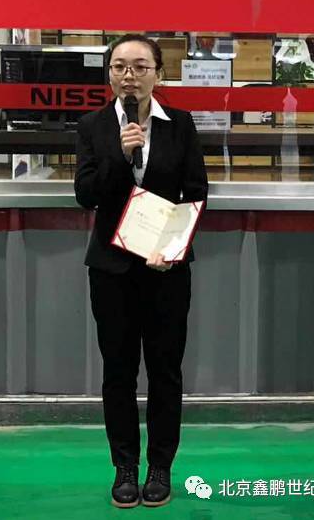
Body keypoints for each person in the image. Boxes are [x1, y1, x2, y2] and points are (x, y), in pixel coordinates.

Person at [74, 35, 208, 508]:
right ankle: (125, 467)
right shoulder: (93, 126)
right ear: (109, 74)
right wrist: (118, 151)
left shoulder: (181, 125)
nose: (128, 75)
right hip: (111, 268)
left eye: (139, 66)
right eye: (119, 66)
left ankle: (161, 467)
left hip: (165, 267)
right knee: (118, 371)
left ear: (158, 73)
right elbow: (86, 194)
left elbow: (196, 191)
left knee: (165, 370)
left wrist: (170, 247)